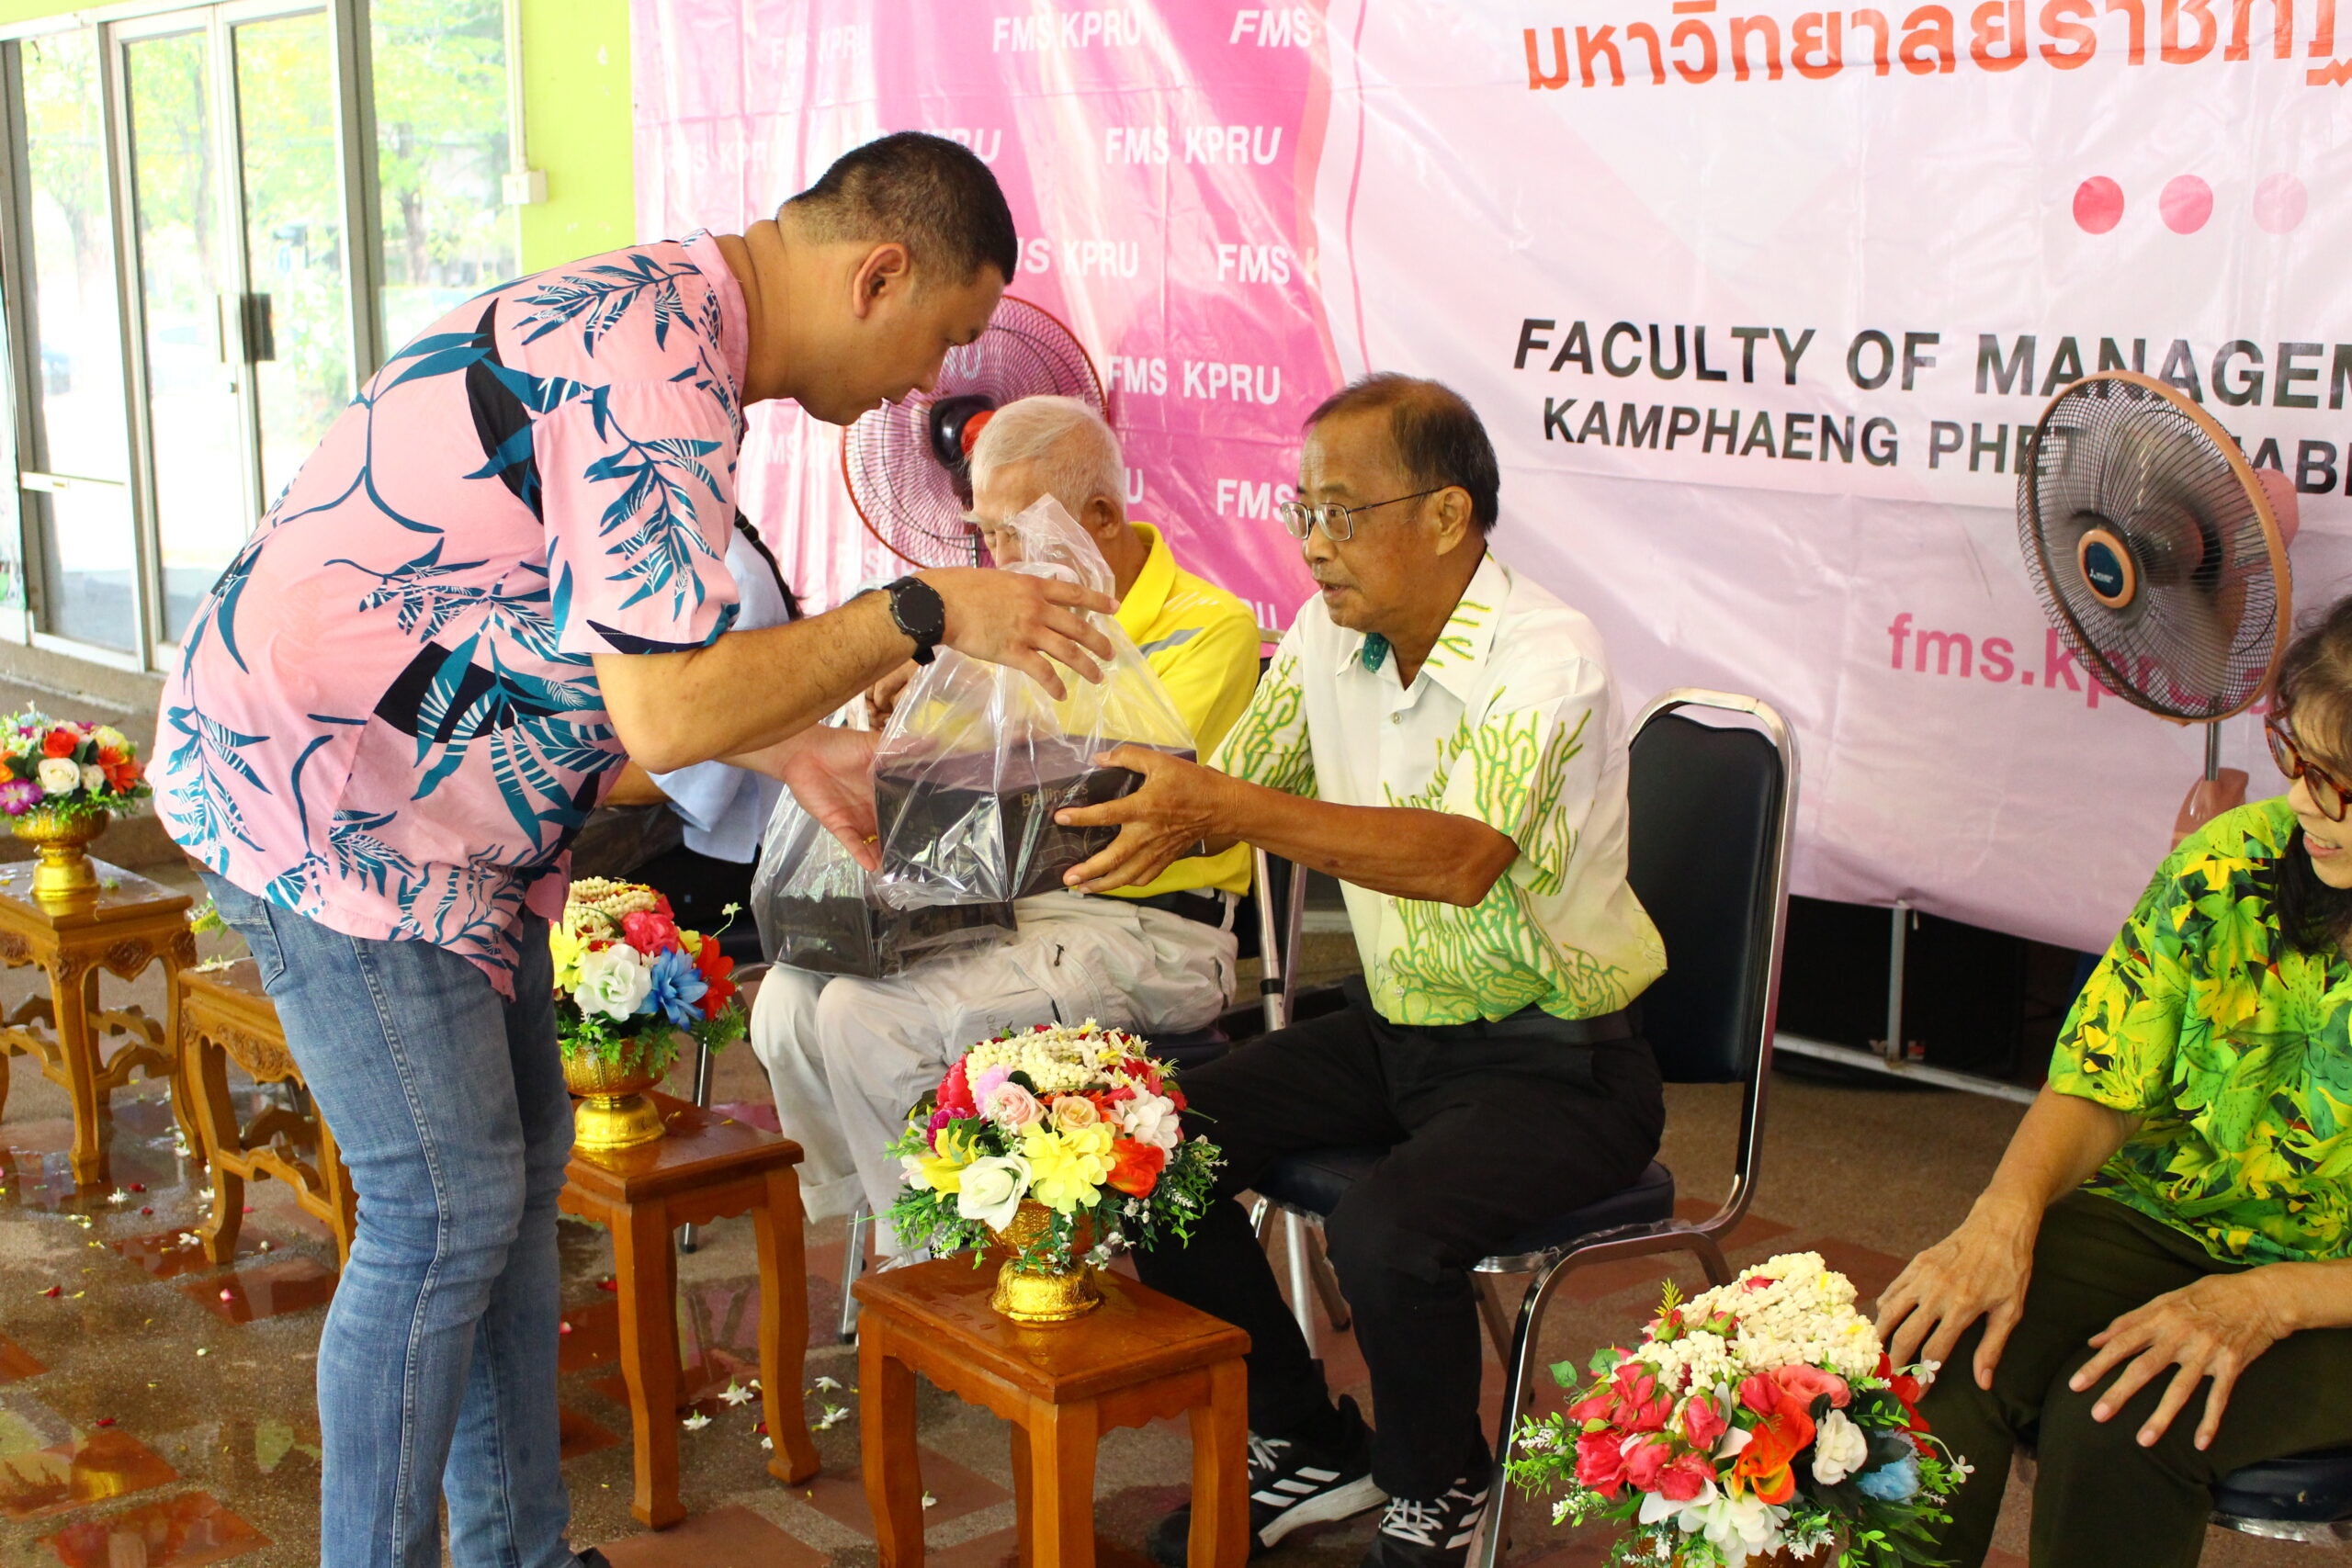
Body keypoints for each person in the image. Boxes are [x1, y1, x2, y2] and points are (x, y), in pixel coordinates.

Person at [152, 132, 1116, 1568]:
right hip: (332, 800)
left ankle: (519, 1551)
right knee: (439, 1211)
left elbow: (613, 660)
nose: (928, 385)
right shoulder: (658, 377)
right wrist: (919, 609)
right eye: (941, 339)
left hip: (427, 806)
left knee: (509, 1186)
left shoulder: (668, 321)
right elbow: (666, 708)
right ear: (878, 274)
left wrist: (793, 745)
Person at [1057, 374, 1668, 1568]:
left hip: (1559, 1065)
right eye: (1303, 512)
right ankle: (1300, 1436)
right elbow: (1224, 799)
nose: (1313, 543)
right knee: (1149, 1143)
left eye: (1341, 511)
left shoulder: (1547, 653)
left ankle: (1440, 1482)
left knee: (1384, 1232)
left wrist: (1220, 805)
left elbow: (1458, 860)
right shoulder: (1326, 640)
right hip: (1399, 1034)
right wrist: (1028, 793)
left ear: (1446, 515)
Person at [1876, 602, 2352, 1568]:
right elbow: (2100, 1076)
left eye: (2337, 778)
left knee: (2122, 1425)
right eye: (2291, 755)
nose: (2303, 800)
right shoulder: (2233, 861)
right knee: (1937, 1350)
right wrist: (2000, 1217)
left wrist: (2273, 1298)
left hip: (2335, 1279)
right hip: (2164, 1211)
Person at [752, 394, 1260, 1247]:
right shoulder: (992, 630)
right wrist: (898, 708)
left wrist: (967, 702)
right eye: (987, 534)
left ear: (1101, 517)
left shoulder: (1211, 628)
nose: (1001, 560)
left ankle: (926, 1269)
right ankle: (890, 1228)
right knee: (789, 1002)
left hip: (1148, 929)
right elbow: (937, 784)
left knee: (865, 1019)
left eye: (1021, 534)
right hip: (1007, 912)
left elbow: (1100, 790)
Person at [587, 513, 800, 953]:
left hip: (723, 850)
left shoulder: (728, 575)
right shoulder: (675, 557)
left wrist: (562, 784)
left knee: (563, 897)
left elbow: (684, 773)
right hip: (678, 824)